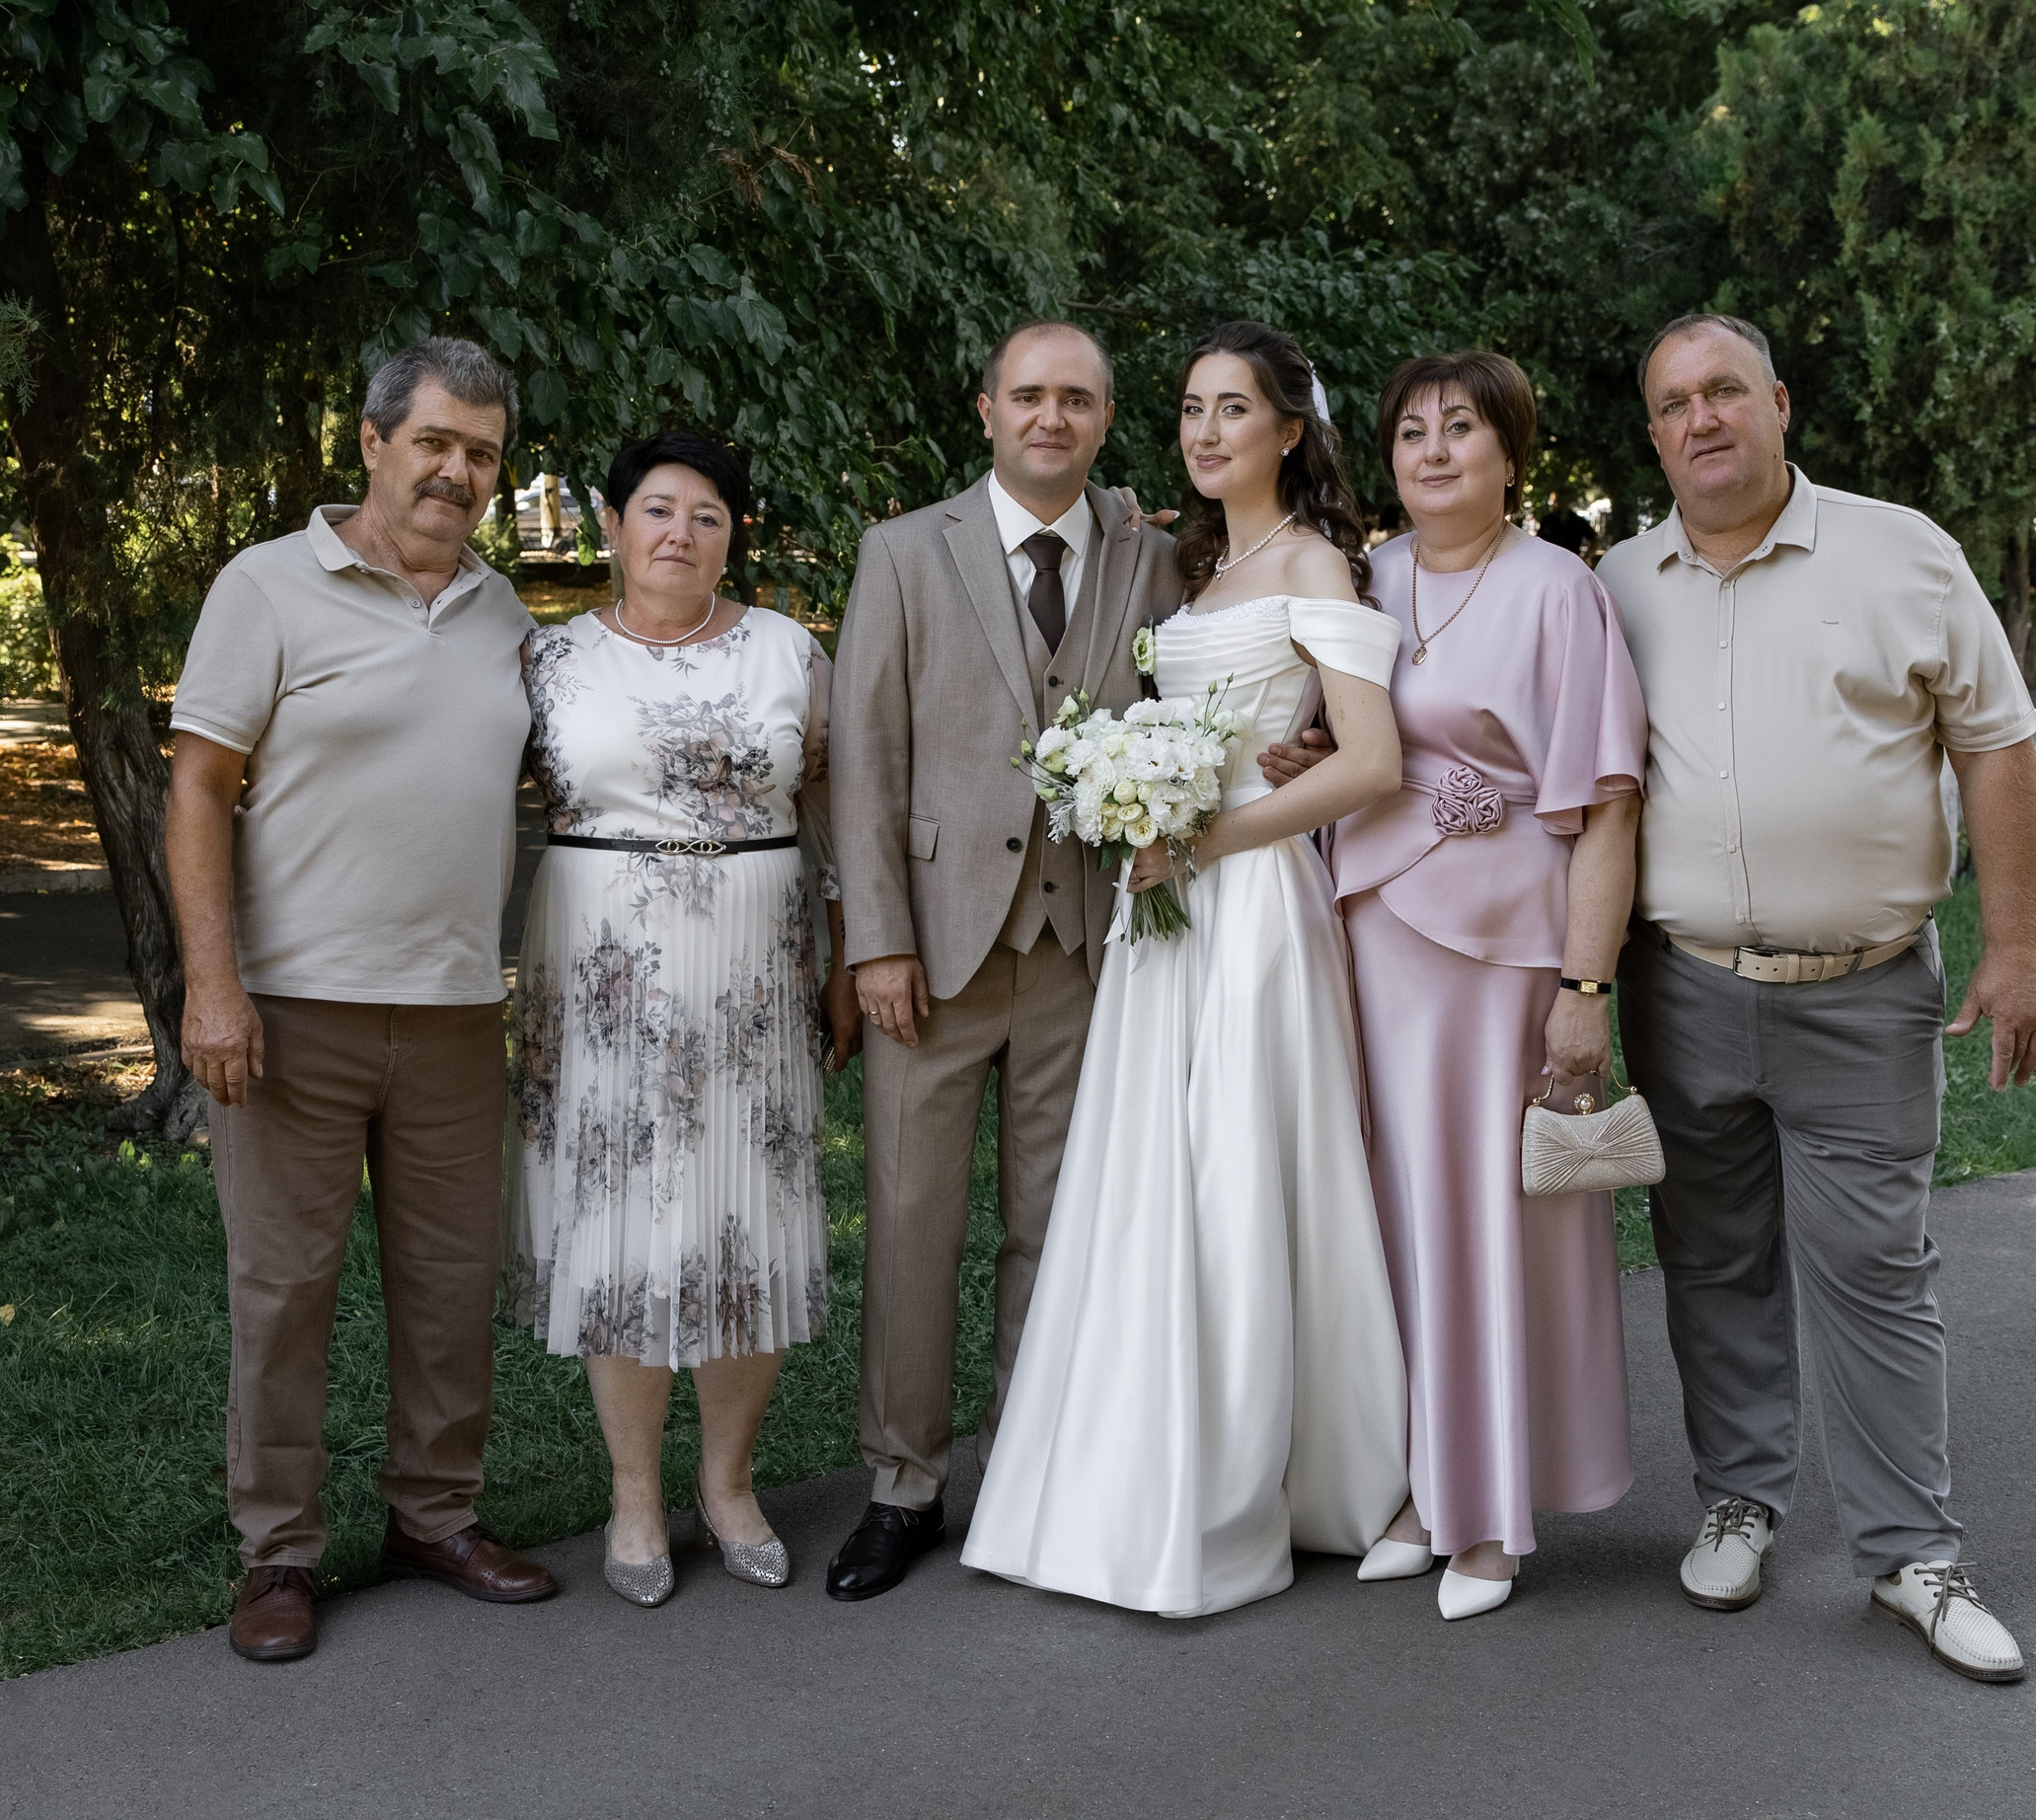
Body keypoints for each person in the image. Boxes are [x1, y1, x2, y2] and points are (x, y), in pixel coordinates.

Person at [1599, 313, 2036, 1684]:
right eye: (1674, 403)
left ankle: (1912, 1554)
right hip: (1682, 988)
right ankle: (1742, 1499)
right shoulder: (1615, 581)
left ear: (1780, 405)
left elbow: (1999, 742)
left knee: (1875, 1271)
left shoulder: (1899, 550)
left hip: (1864, 993)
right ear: (1655, 433)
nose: (1702, 419)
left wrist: (2018, 943)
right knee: (1714, 1259)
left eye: (1725, 389)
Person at [960, 319, 1411, 1619]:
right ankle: (1130, 1472)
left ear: (1288, 429)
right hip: (1170, 910)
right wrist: (1136, 811)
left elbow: (1369, 762)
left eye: (1235, 409)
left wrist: (1207, 836)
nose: (1208, 431)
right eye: (1194, 409)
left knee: (1242, 1171)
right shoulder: (1200, 571)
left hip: (1257, 907)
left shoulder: (1317, 565)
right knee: (1155, 1179)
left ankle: (1257, 1483)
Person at [168, 337, 559, 1664]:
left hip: (455, 1008)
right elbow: (197, 791)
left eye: (484, 454)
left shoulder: (508, 615)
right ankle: (277, 1552)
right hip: (292, 1013)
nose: (457, 470)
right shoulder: (266, 585)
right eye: (437, 441)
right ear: (375, 441)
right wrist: (212, 987)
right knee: (284, 1291)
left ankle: (434, 1517)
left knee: (452, 1288)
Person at [825, 321, 1189, 1601]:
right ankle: (903, 1484)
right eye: (1030, 395)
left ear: (1102, 419)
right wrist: (874, 940)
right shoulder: (903, 552)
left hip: (1082, 951)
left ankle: (1036, 1478)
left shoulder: (1149, 557)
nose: (1053, 416)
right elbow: (863, 762)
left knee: (1057, 1229)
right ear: (987, 409)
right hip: (929, 954)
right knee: (917, 1224)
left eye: (1077, 399)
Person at [502, 430, 856, 1607]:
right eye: (657, 509)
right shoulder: (545, 660)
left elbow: (838, 802)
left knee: (743, 1220)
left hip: (753, 971)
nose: (679, 533)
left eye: (707, 516)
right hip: (597, 969)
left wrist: (851, 953)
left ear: (731, 537)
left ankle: (730, 1481)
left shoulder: (788, 650)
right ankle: (634, 1495)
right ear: (610, 524)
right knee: (620, 1223)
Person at [1331, 352, 1647, 1621]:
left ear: (1511, 453)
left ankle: (1493, 1516)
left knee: (1493, 1217)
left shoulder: (1557, 590)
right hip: (1371, 929)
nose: (1434, 450)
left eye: (1462, 429)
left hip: (1506, 946)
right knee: (1396, 1210)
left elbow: (1608, 805)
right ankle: (1422, 1483)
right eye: (1411, 430)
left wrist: (1587, 983)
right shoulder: (1366, 577)